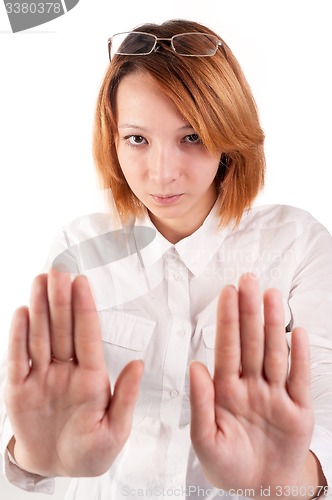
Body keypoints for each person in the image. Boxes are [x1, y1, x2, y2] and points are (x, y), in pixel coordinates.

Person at [1, 18, 332, 500]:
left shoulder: (296, 243)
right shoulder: (80, 247)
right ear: (113, 141)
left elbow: (326, 406)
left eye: (191, 137)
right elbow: (37, 414)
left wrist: (285, 479)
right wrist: (35, 457)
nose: (162, 172)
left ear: (228, 136)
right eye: (137, 139)